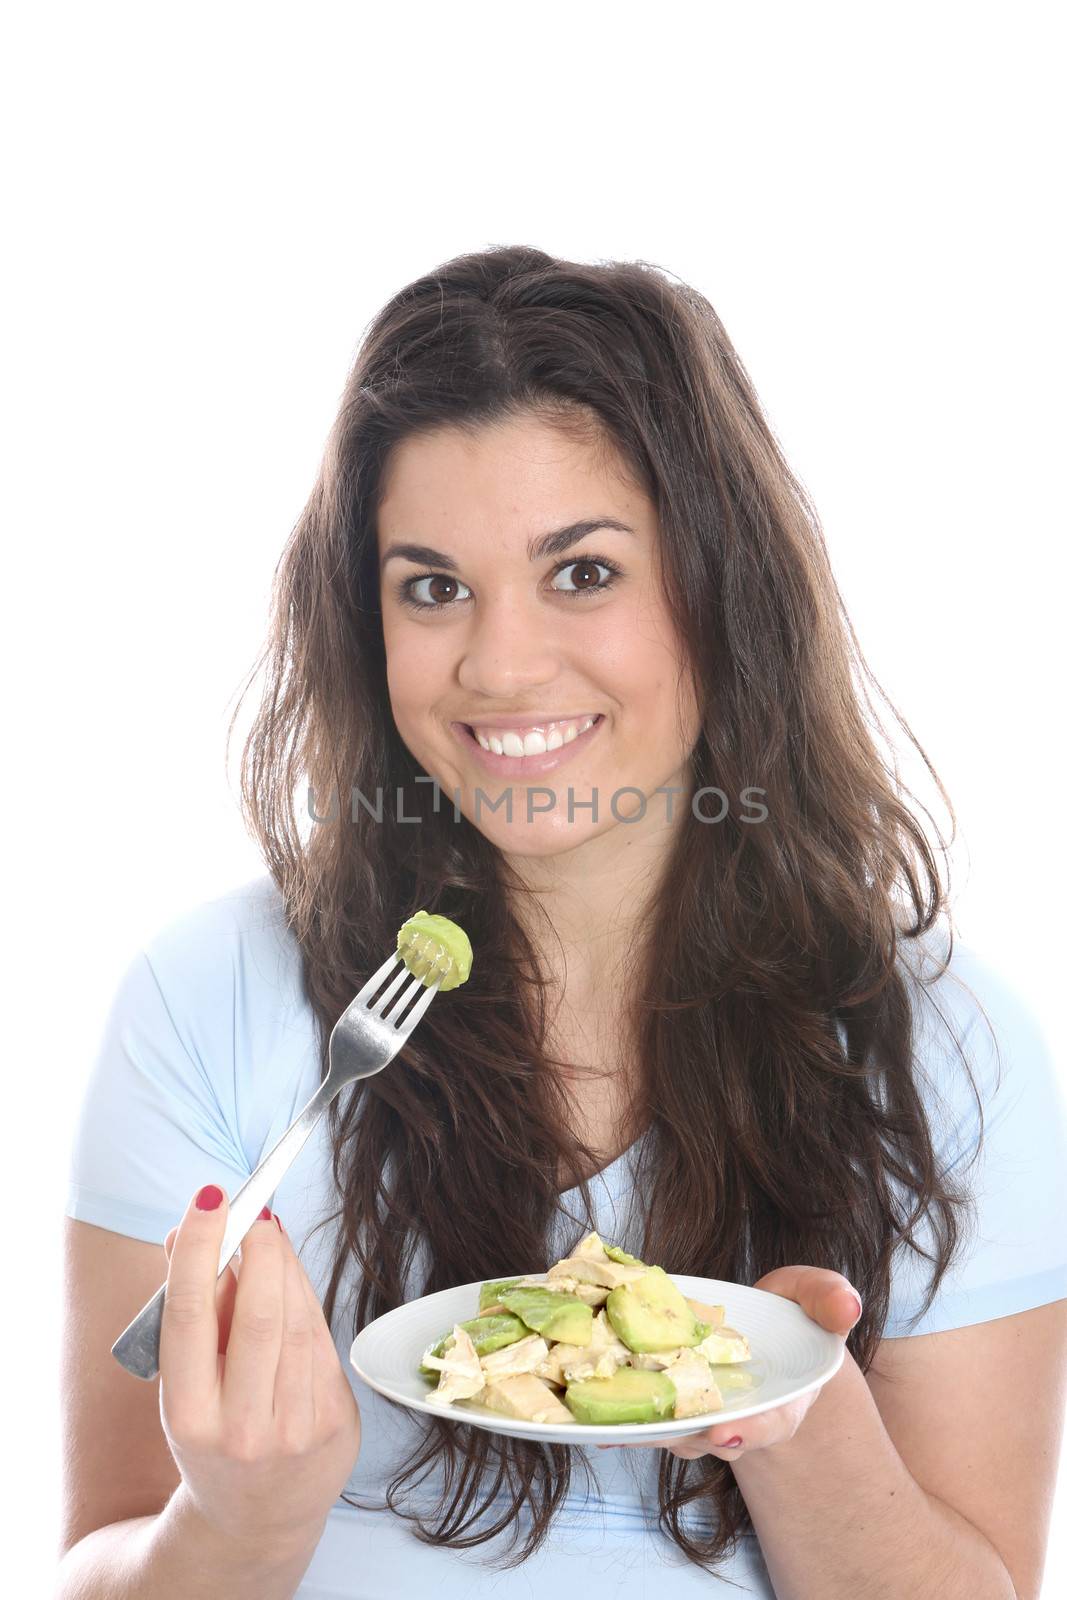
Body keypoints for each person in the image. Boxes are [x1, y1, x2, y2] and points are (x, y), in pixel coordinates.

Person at [58, 245, 1067, 1600]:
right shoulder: (208, 994)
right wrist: (239, 1519)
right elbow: (93, 1566)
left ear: (722, 589)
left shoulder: (953, 1045)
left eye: (582, 573)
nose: (501, 664)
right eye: (432, 586)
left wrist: (791, 1416)